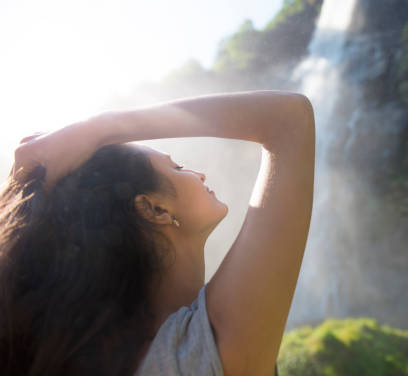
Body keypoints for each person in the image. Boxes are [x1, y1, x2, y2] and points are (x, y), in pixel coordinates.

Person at [0, 90, 315, 376]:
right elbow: (289, 117)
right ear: (154, 210)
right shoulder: (193, 359)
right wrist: (94, 130)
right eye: (177, 168)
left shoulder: (150, 358)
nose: (199, 172)